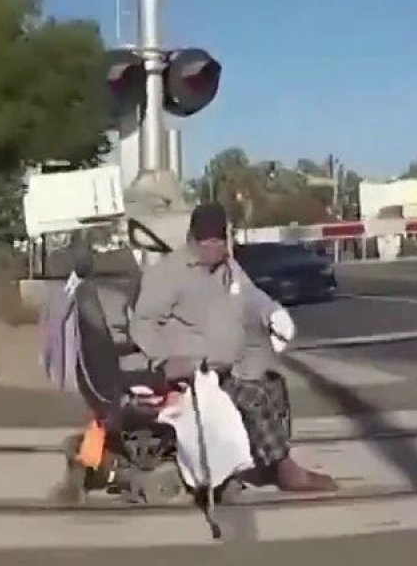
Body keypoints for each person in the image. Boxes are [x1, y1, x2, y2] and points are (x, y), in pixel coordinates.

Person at [129, 203, 338, 492]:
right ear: (193, 239)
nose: (213, 247)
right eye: (206, 241)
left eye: (218, 240)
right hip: (195, 373)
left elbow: (249, 294)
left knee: (273, 385)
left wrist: (272, 311)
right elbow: (144, 322)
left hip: (230, 366)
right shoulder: (168, 274)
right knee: (253, 399)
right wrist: (165, 360)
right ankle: (287, 471)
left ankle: (267, 463)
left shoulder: (228, 266)